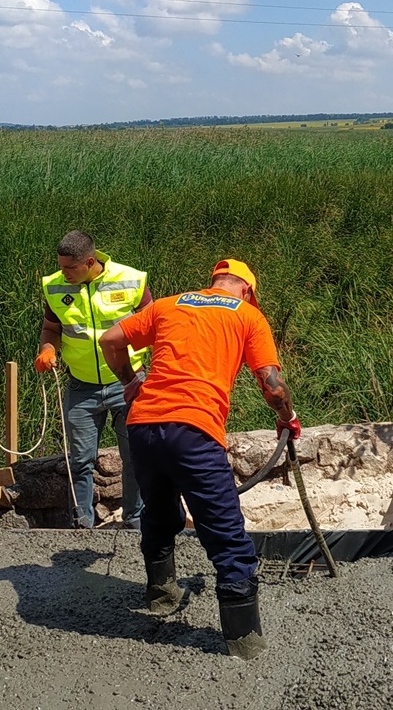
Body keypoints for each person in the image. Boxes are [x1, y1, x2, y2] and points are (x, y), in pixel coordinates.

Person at [98, 259, 299, 660]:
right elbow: (273, 385)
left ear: (213, 283)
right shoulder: (248, 316)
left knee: (159, 511)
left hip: (143, 427)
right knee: (225, 533)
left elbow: (109, 339)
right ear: (247, 290)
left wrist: (131, 383)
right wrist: (287, 418)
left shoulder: (169, 305)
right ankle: (244, 641)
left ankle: (160, 594)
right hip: (194, 431)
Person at [34, 231, 151, 528]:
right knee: (80, 460)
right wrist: (47, 350)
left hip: (129, 384)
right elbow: (51, 329)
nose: (63, 273)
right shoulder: (55, 286)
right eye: (60, 266)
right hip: (81, 386)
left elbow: (156, 327)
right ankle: (82, 521)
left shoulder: (132, 280)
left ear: (90, 261)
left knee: (135, 456)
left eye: (69, 268)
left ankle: (135, 519)